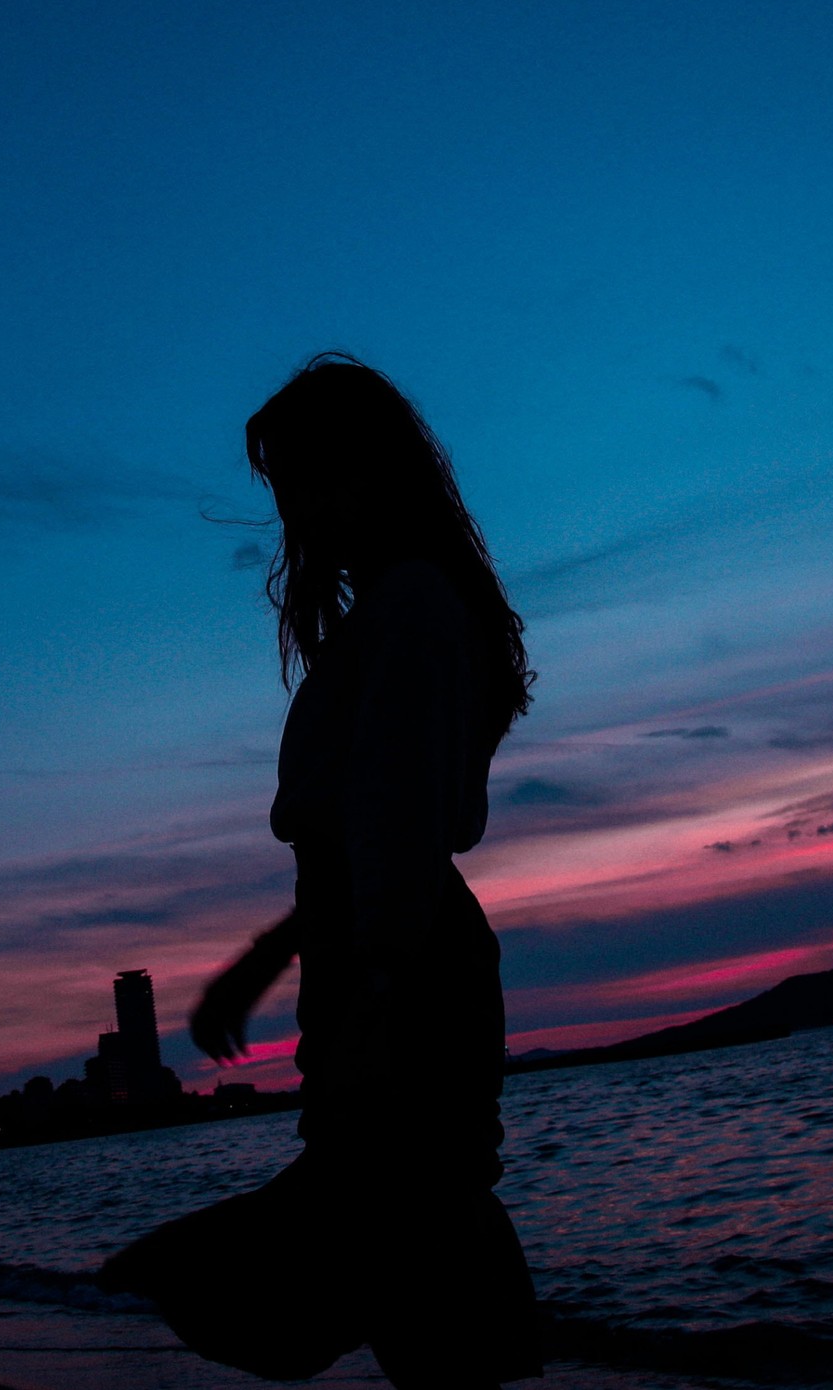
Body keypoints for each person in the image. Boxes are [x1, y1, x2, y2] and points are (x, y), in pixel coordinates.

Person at [99, 355, 542, 1387]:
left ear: (366, 473)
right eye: (287, 485)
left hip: (401, 961)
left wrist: (376, 990)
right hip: (377, 946)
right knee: (408, 1240)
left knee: (392, 1230)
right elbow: (369, 830)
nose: (299, 508)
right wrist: (275, 960)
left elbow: (397, 833)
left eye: (307, 477)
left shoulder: (414, 610)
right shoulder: (398, 613)